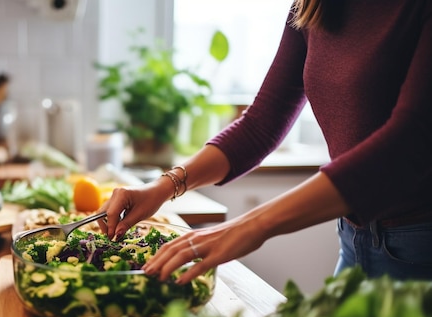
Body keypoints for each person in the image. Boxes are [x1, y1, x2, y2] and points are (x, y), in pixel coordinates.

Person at [99, 0, 432, 285]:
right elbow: (261, 124)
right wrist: (163, 186)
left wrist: (250, 226)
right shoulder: (312, 5)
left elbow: (406, 147)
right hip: (354, 240)